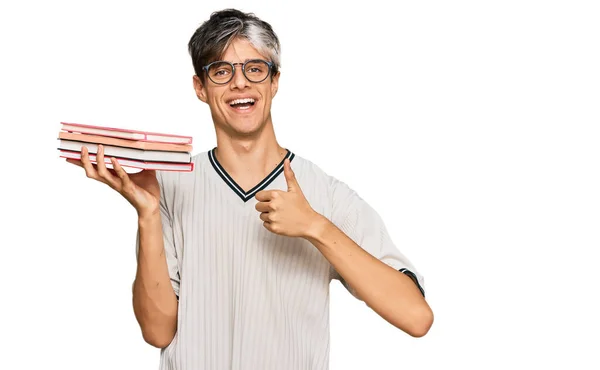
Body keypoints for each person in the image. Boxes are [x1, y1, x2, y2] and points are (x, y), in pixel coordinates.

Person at [67, 8, 433, 370]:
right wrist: (146, 213)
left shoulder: (326, 194)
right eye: (221, 71)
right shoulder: (170, 186)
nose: (240, 83)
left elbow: (416, 318)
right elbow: (158, 332)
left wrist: (315, 227)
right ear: (200, 87)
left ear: (274, 82)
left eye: (255, 69)